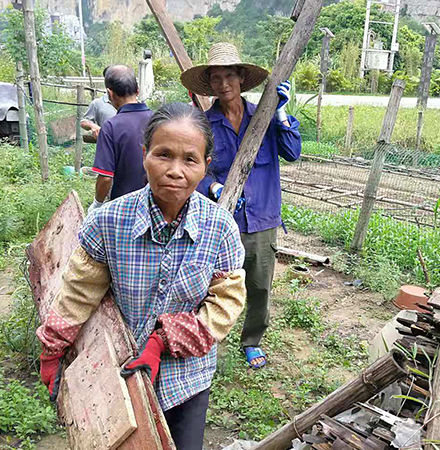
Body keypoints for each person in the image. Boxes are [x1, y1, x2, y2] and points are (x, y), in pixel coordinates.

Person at [36, 102, 246, 450]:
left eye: (190, 160)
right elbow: (80, 289)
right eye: (163, 155)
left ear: (206, 166)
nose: (175, 171)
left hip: (187, 376)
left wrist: (162, 342)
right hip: (121, 369)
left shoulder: (220, 228)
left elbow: (226, 302)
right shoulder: (109, 221)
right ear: (144, 154)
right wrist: (53, 348)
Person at [181, 42, 302, 369]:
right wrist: (214, 185)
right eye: (217, 78)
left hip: (262, 218)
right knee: (210, 284)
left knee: (260, 285)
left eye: (229, 76)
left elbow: (292, 153)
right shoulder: (203, 124)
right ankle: (205, 337)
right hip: (221, 221)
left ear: (240, 78)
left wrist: (281, 113)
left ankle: (251, 340)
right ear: (211, 84)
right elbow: (194, 168)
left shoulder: (262, 115)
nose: (224, 84)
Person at [88, 65, 153, 216]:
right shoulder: (158, 120)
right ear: (137, 90)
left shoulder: (111, 127)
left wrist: (97, 204)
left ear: (110, 94)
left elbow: (105, 177)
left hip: (123, 209)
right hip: (157, 205)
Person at [80, 66, 117, 140]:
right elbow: (83, 122)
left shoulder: (131, 102)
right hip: (106, 147)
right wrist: (92, 126)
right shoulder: (98, 103)